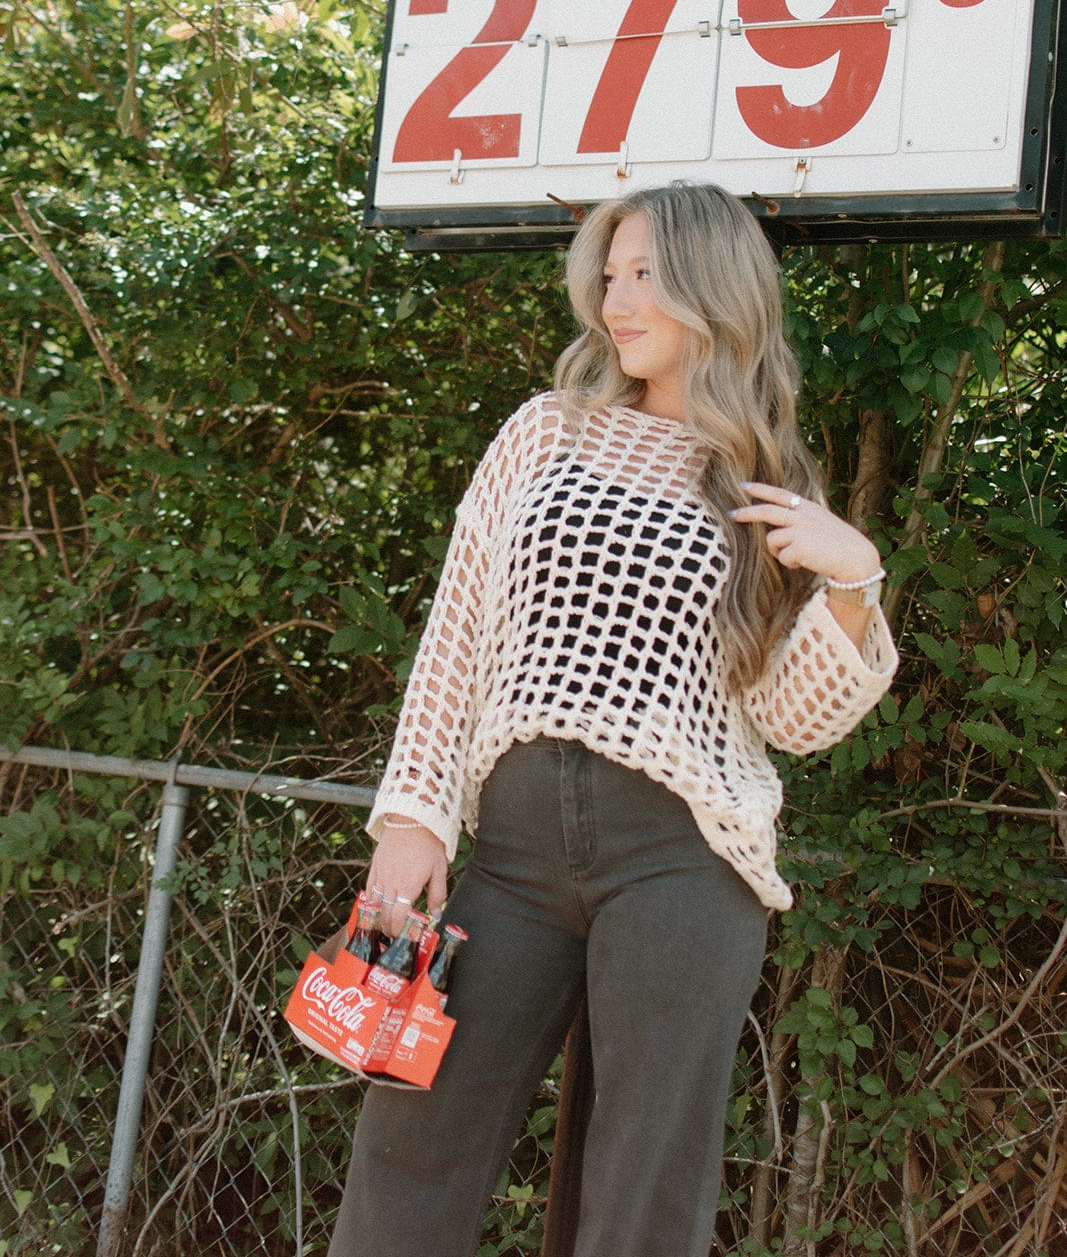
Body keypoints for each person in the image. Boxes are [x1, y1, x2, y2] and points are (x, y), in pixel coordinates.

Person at [327, 182, 898, 1257]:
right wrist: (413, 816)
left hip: (683, 859)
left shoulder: (761, 480)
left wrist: (853, 579)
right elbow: (457, 630)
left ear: (712, 291)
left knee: (642, 1188)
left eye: (644, 274)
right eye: (609, 271)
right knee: (412, 1141)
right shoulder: (543, 434)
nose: (613, 296)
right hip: (510, 859)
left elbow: (783, 713)